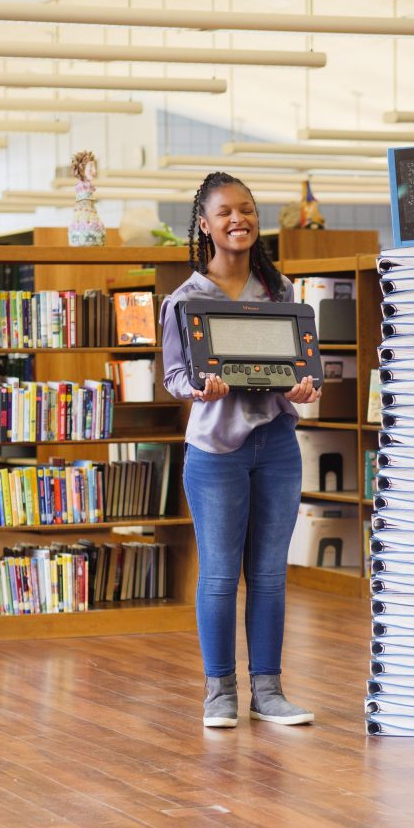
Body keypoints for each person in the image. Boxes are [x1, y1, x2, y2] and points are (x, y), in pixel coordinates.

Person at [160, 171, 321, 729]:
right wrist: (196, 389)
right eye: (226, 211)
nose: (239, 219)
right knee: (221, 575)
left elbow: (302, 371)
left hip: (277, 444)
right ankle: (220, 693)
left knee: (271, 574)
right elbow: (176, 375)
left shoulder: (281, 295)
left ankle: (269, 693)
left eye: (247, 209)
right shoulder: (185, 300)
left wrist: (305, 389)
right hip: (215, 452)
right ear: (204, 225)